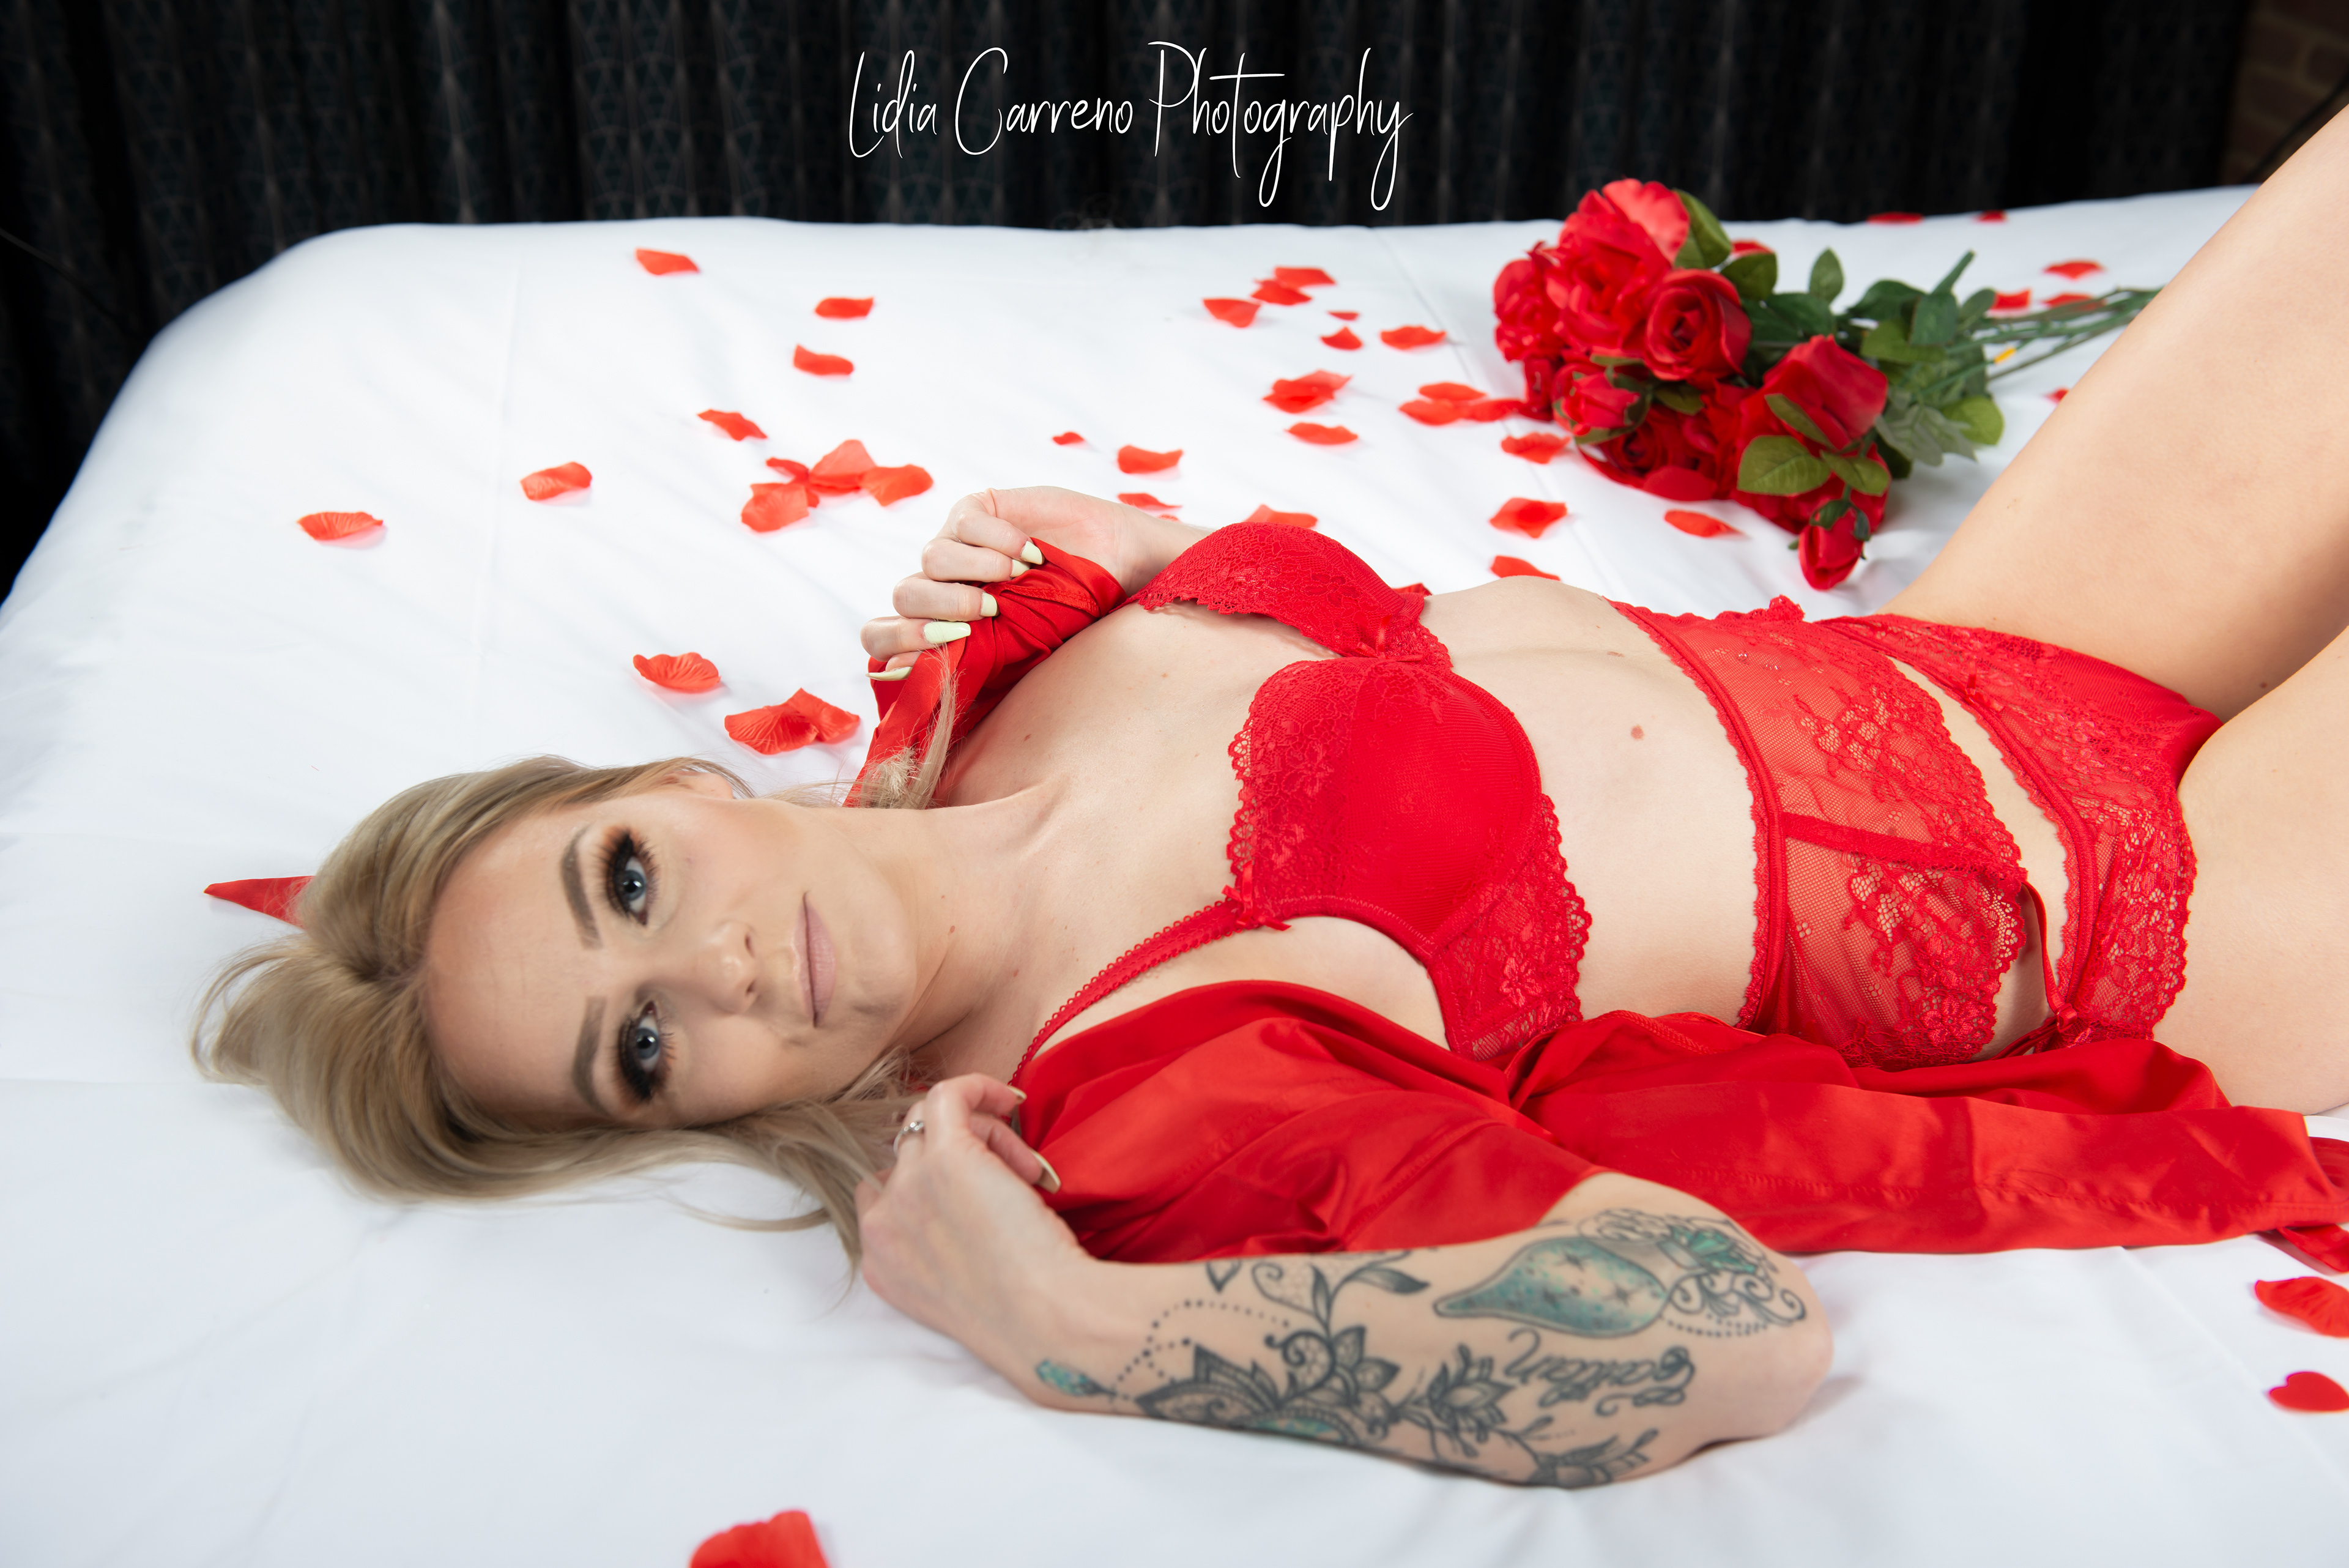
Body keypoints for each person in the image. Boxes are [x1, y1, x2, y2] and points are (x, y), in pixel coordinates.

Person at [198, 117, 2349, 1489]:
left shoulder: (992, 667)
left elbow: (1371, 654)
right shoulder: (1134, 1097)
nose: (721, 966)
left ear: (670, 785)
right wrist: (1072, 1328)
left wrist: (1151, 563)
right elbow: (1729, 1332)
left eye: (629, 884)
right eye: (645, 1047)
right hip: (2160, 916)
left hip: (1977, 656)